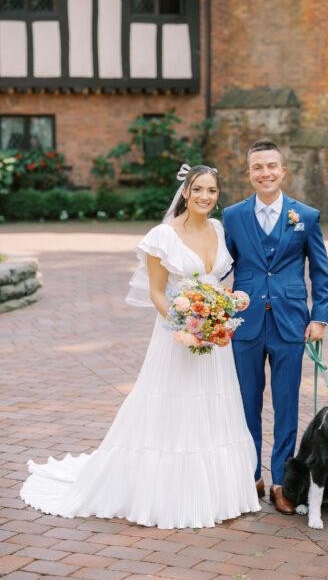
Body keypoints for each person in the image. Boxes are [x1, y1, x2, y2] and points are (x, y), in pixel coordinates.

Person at [20, 165, 260, 529]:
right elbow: (157, 292)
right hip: (176, 335)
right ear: (185, 192)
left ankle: (217, 494)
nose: (205, 197)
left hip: (214, 340)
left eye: (212, 191)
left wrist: (218, 314)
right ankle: (167, 495)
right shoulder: (162, 236)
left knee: (215, 404)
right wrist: (187, 325)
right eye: (198, 189)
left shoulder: (218, 229)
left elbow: (218, 282)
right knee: (172, 404)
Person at [223, 140, 328, 514]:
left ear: (283, 171)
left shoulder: (307, 216)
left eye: (271, 166)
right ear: (249, 173)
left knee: (286, 407)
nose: (265, 173)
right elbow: (222, 266)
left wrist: (319, 316)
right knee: (245, 406)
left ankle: (282, 482)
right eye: (257, 167)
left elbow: (320, 271)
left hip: (291, 325)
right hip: (245, 324)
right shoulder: (233, 216)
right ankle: (249, 475)